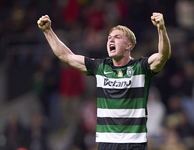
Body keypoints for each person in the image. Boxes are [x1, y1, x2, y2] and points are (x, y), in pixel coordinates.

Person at [37, 12, 171, 150]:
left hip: (134, 143)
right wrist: (48, 31)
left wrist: (161, 29)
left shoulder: (141, 67)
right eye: (109, 38)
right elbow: (67, 57)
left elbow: (163, 56)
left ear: (129, 45)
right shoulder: (101, 67)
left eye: (117, 37)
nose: (111, 40)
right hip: (107, 144)